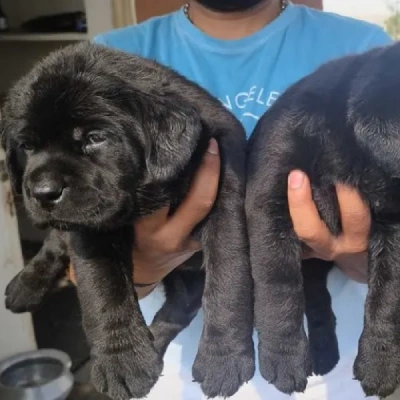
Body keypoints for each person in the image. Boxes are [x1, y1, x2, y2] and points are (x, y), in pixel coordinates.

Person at [70, 1, 396, 399]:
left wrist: (354, 256)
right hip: (173, 372)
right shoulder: (109, 59)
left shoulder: (365, 48)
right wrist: (147, 263)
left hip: (336, 371)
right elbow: (82, 252)